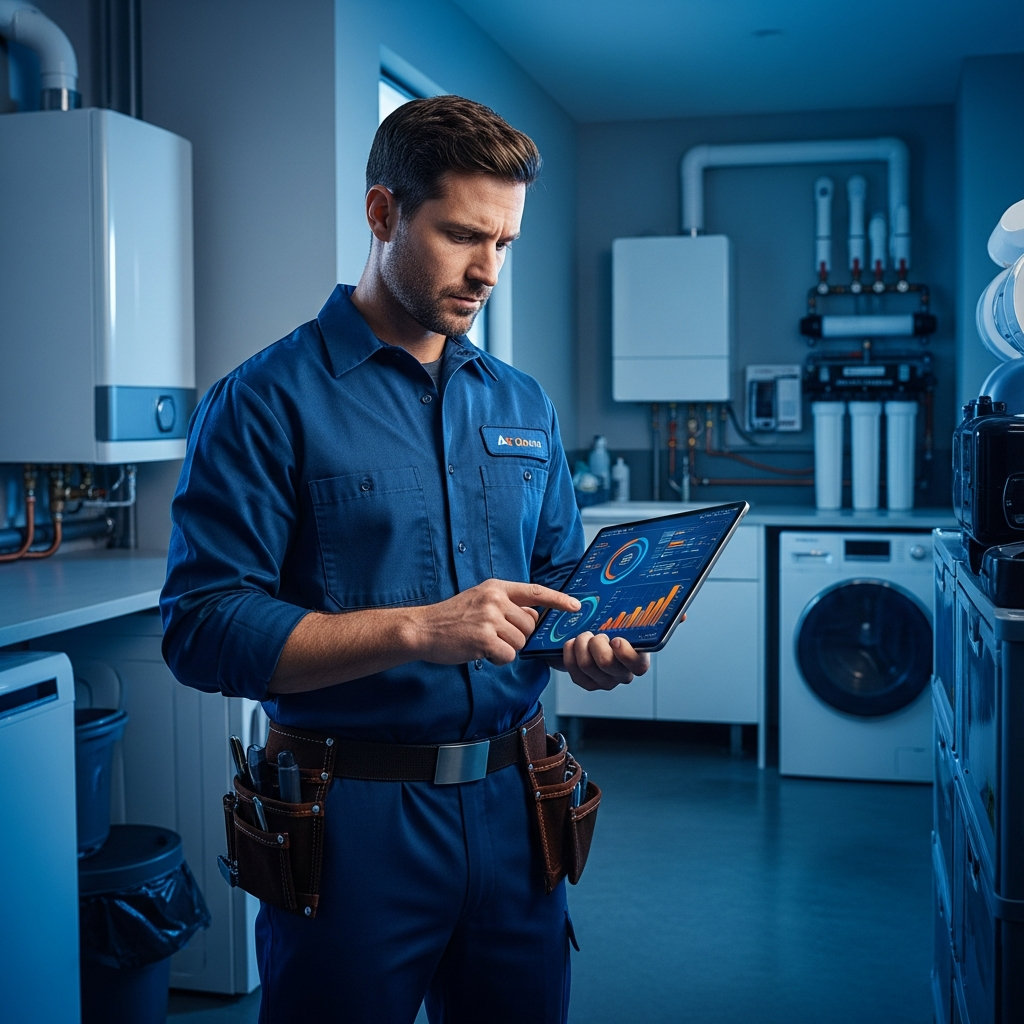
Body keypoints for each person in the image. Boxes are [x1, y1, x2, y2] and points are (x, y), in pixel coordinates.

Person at [161, 94, 649, 1024]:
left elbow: (557, 589)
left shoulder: (523, 405)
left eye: (504, 243)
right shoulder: (265, 402)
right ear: (382, 213)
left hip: (520, 808)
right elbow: (201, 627)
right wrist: (421, 630)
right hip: (351, 821)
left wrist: (587, 646)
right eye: (463, 235)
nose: (486, 271)